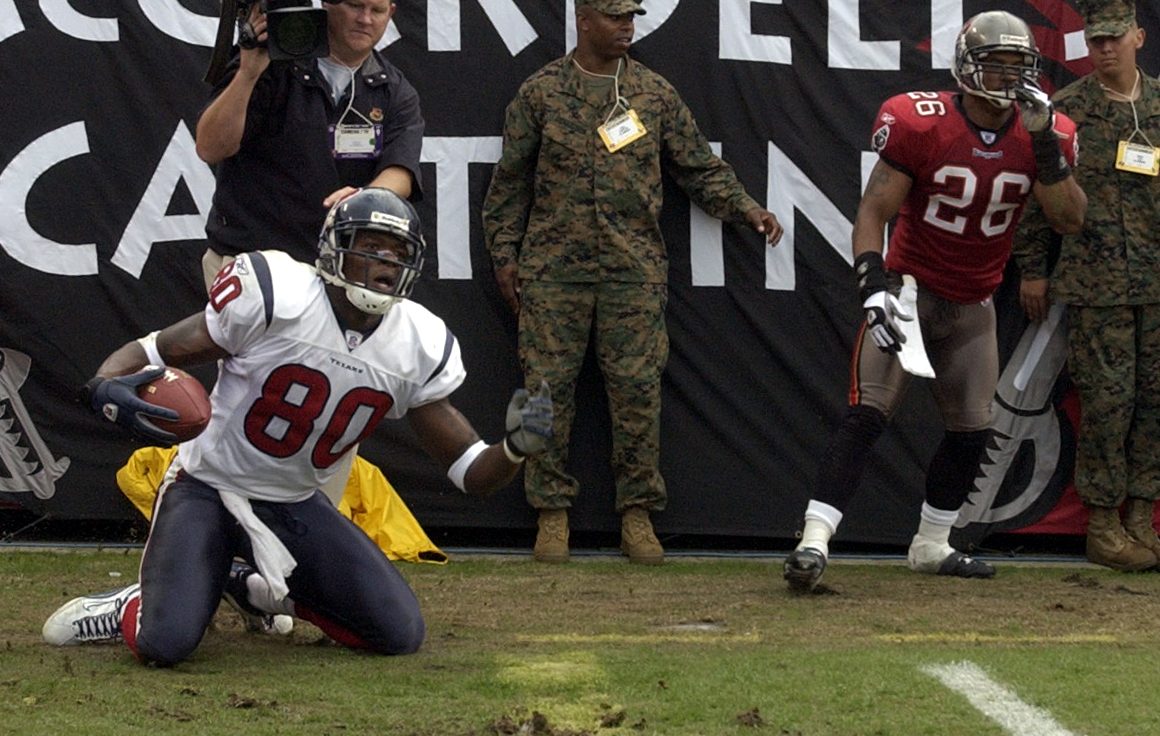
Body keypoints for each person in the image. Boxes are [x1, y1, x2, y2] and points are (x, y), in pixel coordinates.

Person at [41, 189, 553, 665]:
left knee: (398, 634)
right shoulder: (276, 294)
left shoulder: (417, 342)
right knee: (166, 643)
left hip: (293, 505)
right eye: (370, 247)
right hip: (207, 487)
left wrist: (515, 448)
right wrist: (105, 381)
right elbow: (158, 349)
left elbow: (471, 473)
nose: (385, 265)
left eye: (397, 254)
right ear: (333, 251)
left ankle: (242, 584)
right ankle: (134, 604)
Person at [782, 10, 1087, 593]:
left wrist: (1045, 140)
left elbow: (1070, 219)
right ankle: (813, 543)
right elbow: (874, 210)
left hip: (975, 303)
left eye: (1017, 67)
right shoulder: (918, 121)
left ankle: (931, 544)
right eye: (995, 65)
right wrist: (873, 284)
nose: (1006, 79)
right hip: (910, 293)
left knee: (974, 429)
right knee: (869, 413)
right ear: (966, 67)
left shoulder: (1048, 131)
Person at [481, 0, 783, 565]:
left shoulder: (653, 93)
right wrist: (505, 254)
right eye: (615, 17)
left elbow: (697, 166)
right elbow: (510, 185)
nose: (626, 28)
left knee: (637, 393)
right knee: (545, 392)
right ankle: (550, 511)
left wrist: (746, 208)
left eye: (632, 18)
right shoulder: (540, 93)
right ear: (584, 20)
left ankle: (637, 514)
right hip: (552, 271)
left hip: (633, 270)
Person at [1012, 0, 1160, 572]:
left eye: (1114, 39)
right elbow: (1036, 195)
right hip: (1098, 284)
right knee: (1107, 404)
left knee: (1153, 405)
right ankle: (1102, 525)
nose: (1103, 49)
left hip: (1156, 283)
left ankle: (1141, 519)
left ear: (1138, 38)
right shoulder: (1066, 113)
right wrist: (1032, 267)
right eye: (1095, 40)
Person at [195, 0, 423, 285]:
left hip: (334, 269)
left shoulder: (395, 91)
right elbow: (210, 148)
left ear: (391, 13)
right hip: (251, 263)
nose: (365, 19)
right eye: (355, 5)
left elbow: (401, 172)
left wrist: (364, 199)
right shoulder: (272, 63)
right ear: (326, 4)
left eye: (376, 11)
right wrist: (247, 74)